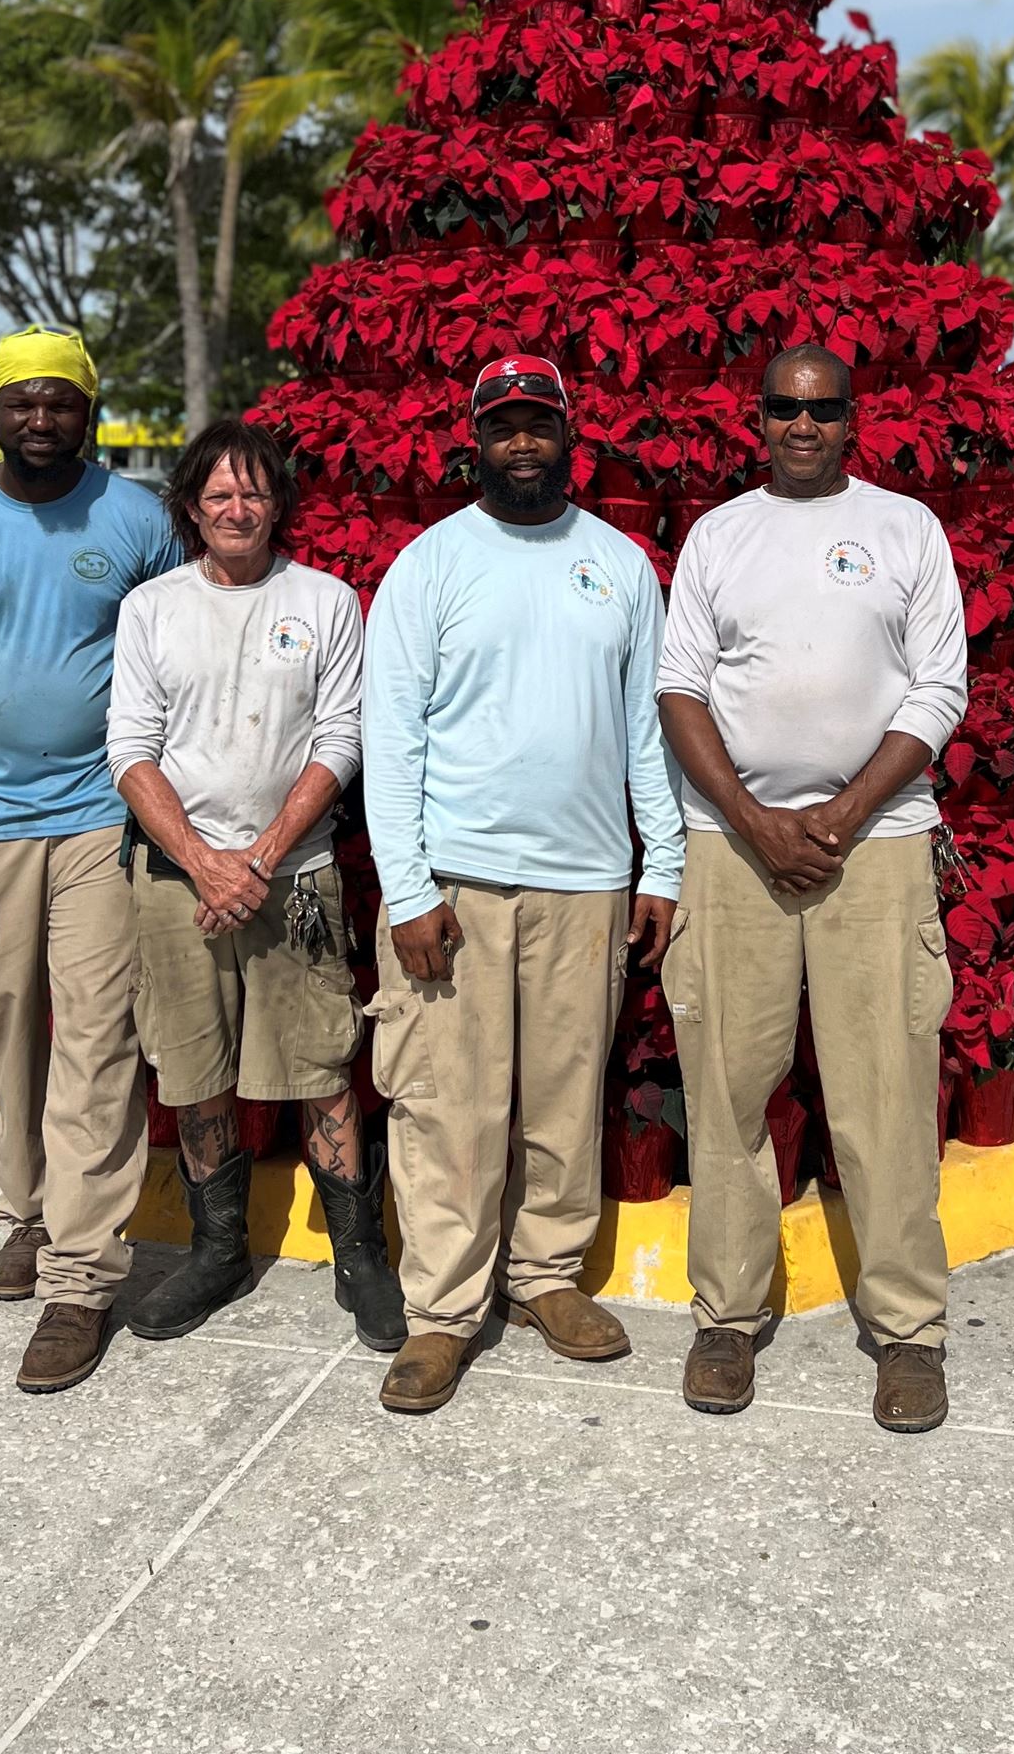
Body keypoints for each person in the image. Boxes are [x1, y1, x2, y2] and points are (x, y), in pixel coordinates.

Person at [360, 352, 685, 1415]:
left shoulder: (621, 564)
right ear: (476, 438)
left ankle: (545, 1273)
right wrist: (405, 889)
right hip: (454, 881)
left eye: (538, 423)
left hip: (586, 879)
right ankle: (443, 1314)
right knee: (448, 1106)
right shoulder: (431, 562)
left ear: (566, 431)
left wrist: (661, 860)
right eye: (503, 426)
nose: (522, 442)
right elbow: (390, 735)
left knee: (562, 1095)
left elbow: (647, 727)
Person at [656, 341, 969, 1433]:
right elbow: (680, 686)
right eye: (785, 408)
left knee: (883, 1093)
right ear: (759, 417)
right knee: (730, 1090)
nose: (803, 425)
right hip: (732, 847)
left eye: (823, 408)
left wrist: (839, 815)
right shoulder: (718, 536)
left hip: (876, 846)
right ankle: (727, 1318)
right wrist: (753, 817)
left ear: (850, 418)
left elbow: (940, 687)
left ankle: (908, 1333)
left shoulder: (906, 529)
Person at [0, 325, 180, 1394]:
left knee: (100, 1034)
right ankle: (26, 1207)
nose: (43, 417)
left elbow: (160, 651)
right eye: (25, 401)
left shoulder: (138, 518)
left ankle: (79, 1277)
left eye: (62, 400)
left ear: (89, 409)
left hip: (103, 817)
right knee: (4, 1020)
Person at [106, 419, 404, 1352]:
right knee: (193, 1074)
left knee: (322, 1066)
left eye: (254, 492)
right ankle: (217, 1251)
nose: (237, 510)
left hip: (298, 873)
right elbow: (130, 750)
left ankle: (360, 1253)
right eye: (217, 495)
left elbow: (341, 737)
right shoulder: (152, 607)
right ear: (190, 507)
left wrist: (263, 857)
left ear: (280, 502)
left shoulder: (323, 602)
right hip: (176, 882)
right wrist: (204, 862)